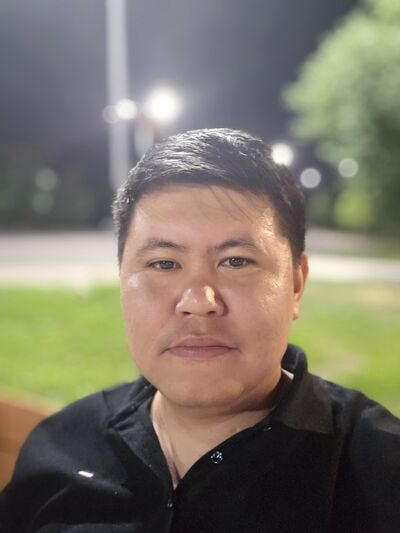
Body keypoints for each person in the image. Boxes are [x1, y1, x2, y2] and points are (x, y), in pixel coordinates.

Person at [1, 128, 399, 532]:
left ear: (296, 283)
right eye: (164, 264)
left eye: (236, 261)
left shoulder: (379, 472)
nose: (198, 301)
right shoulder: (59, 451)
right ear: (122, 280)